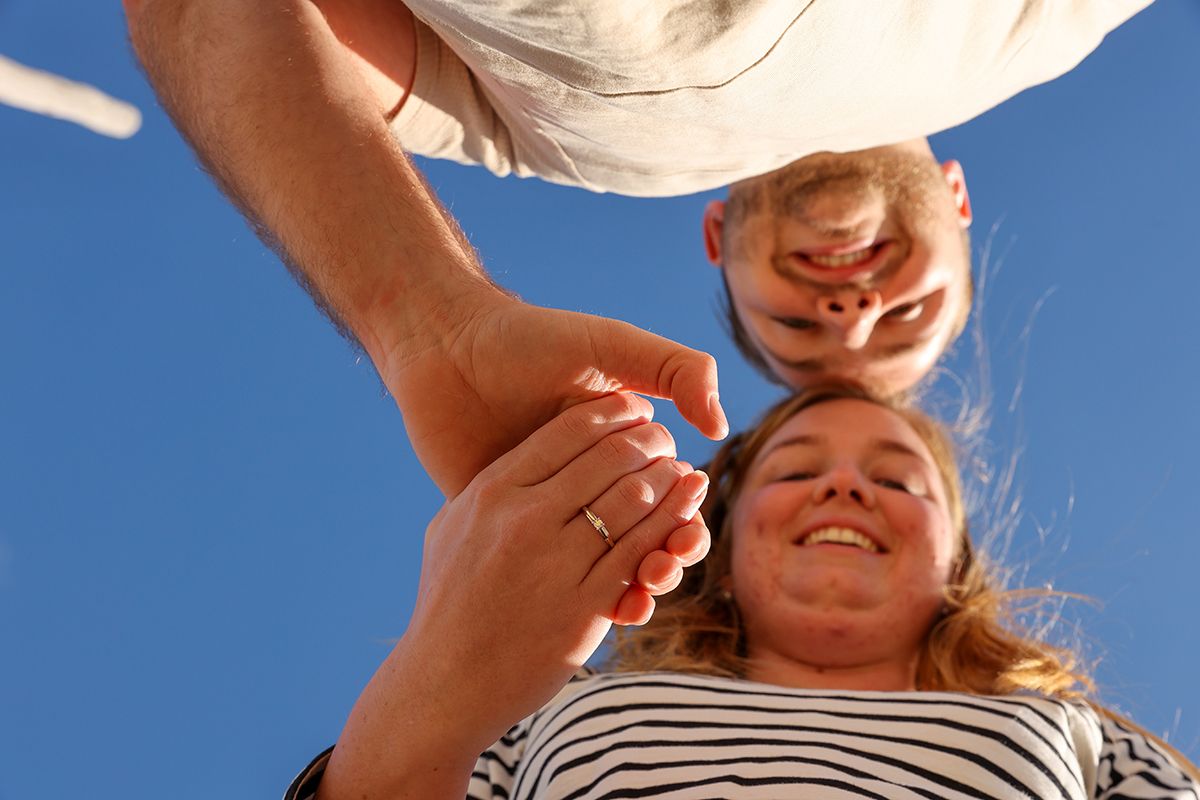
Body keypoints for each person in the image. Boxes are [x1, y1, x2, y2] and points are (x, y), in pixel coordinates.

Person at [121, 0, 1147, 500]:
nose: (851, 312)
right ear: (958, 204)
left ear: (717, 240)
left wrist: (429, 319)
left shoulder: (542, 136)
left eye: (793, 329)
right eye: (912, 313)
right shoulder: (1032, 32)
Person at [286, 386, 1199, 799]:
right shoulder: (542, 709)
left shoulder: (1087, 740)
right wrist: (436, 676)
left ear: (956, 563)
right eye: (798, 468)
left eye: (899, 479)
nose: (845, 488)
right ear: (723, 544)